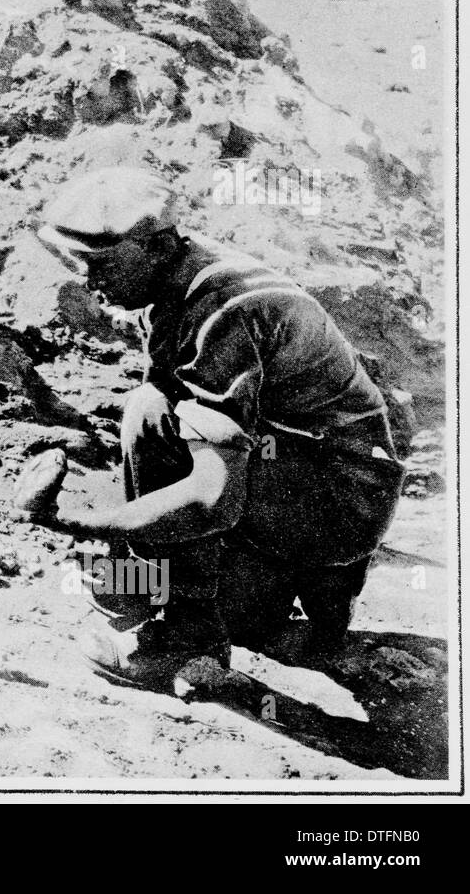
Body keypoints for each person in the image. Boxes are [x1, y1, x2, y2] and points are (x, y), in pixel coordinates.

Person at [28, 167, 406, 689]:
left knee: (151, 414)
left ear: (159, 247)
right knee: (168, 584)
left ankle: (188, 644)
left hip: (336, 504)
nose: (91, 284)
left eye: (101, 265)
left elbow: (212, 499)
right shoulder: (174, 274)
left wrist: (68, 518)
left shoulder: (223, 308)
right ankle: (261, 598)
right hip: (307, 475)